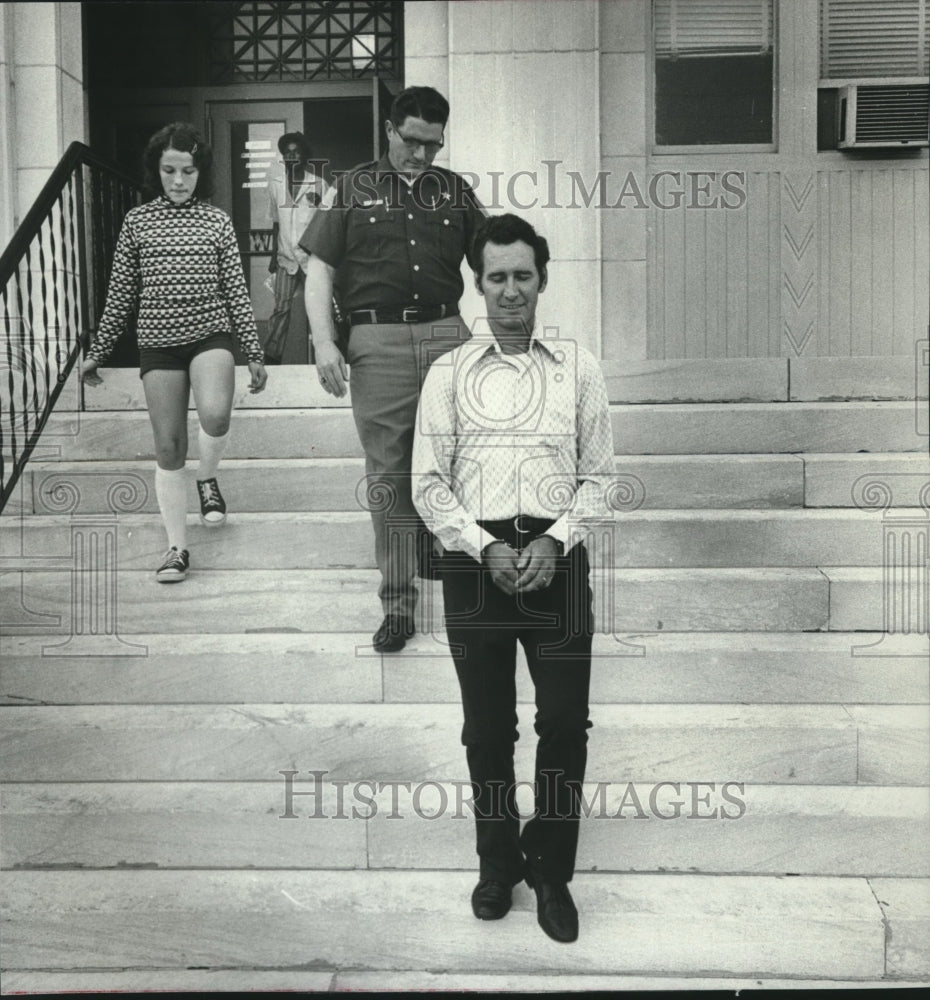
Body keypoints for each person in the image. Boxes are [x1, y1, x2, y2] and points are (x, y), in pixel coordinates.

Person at [412, 214, 614, 943]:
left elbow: (601, 478)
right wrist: (479, 546)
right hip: (477, 565)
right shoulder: (449, 373)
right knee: (487, 729)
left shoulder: (578, 368)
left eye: (521, 276)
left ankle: (551, 869)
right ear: (478, 283)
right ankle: (497, 865)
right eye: (495, 277)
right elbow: (428, 483)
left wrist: (558, 541)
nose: (508, 291)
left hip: (556, 559)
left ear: (542, 280)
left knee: (563, 722)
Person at [300, 85, 485, 653]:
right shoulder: (350, 188)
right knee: (388, 474)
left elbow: (491, 261)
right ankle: (398, 604)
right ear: (389, 129)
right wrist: (325, 343)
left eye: (433, 145)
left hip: (447, 334)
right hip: (375, 339)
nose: (422, 155)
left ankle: (469, 584)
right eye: (412, 141)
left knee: (463, 463)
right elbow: (320, 271)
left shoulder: (454, 190)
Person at [81, 121, 267, 583]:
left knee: (216, 416)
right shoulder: (137, 222)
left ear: (200, 171)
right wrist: (99, 350)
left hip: (210, 335)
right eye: (169, 171)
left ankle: (207, 478)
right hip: (158, 344)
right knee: (168, 446)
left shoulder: (216, 221)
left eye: (187, 171)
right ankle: (176, 549)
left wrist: (253, 350)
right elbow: (121, 292)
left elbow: (236, 291)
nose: (179, 181)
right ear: (156, 171)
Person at [265, 132, 329, 365]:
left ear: (304, 155)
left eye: (296, 152)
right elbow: (275, 222)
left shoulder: (319, 184)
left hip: (312, 260)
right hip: (286, 259)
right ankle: (271, 359)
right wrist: (273, 258)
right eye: (287, 153)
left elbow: (328, 223)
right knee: (281, 309)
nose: (292, 156)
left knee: (320, 309)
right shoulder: (276, 185)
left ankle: (329, 355)